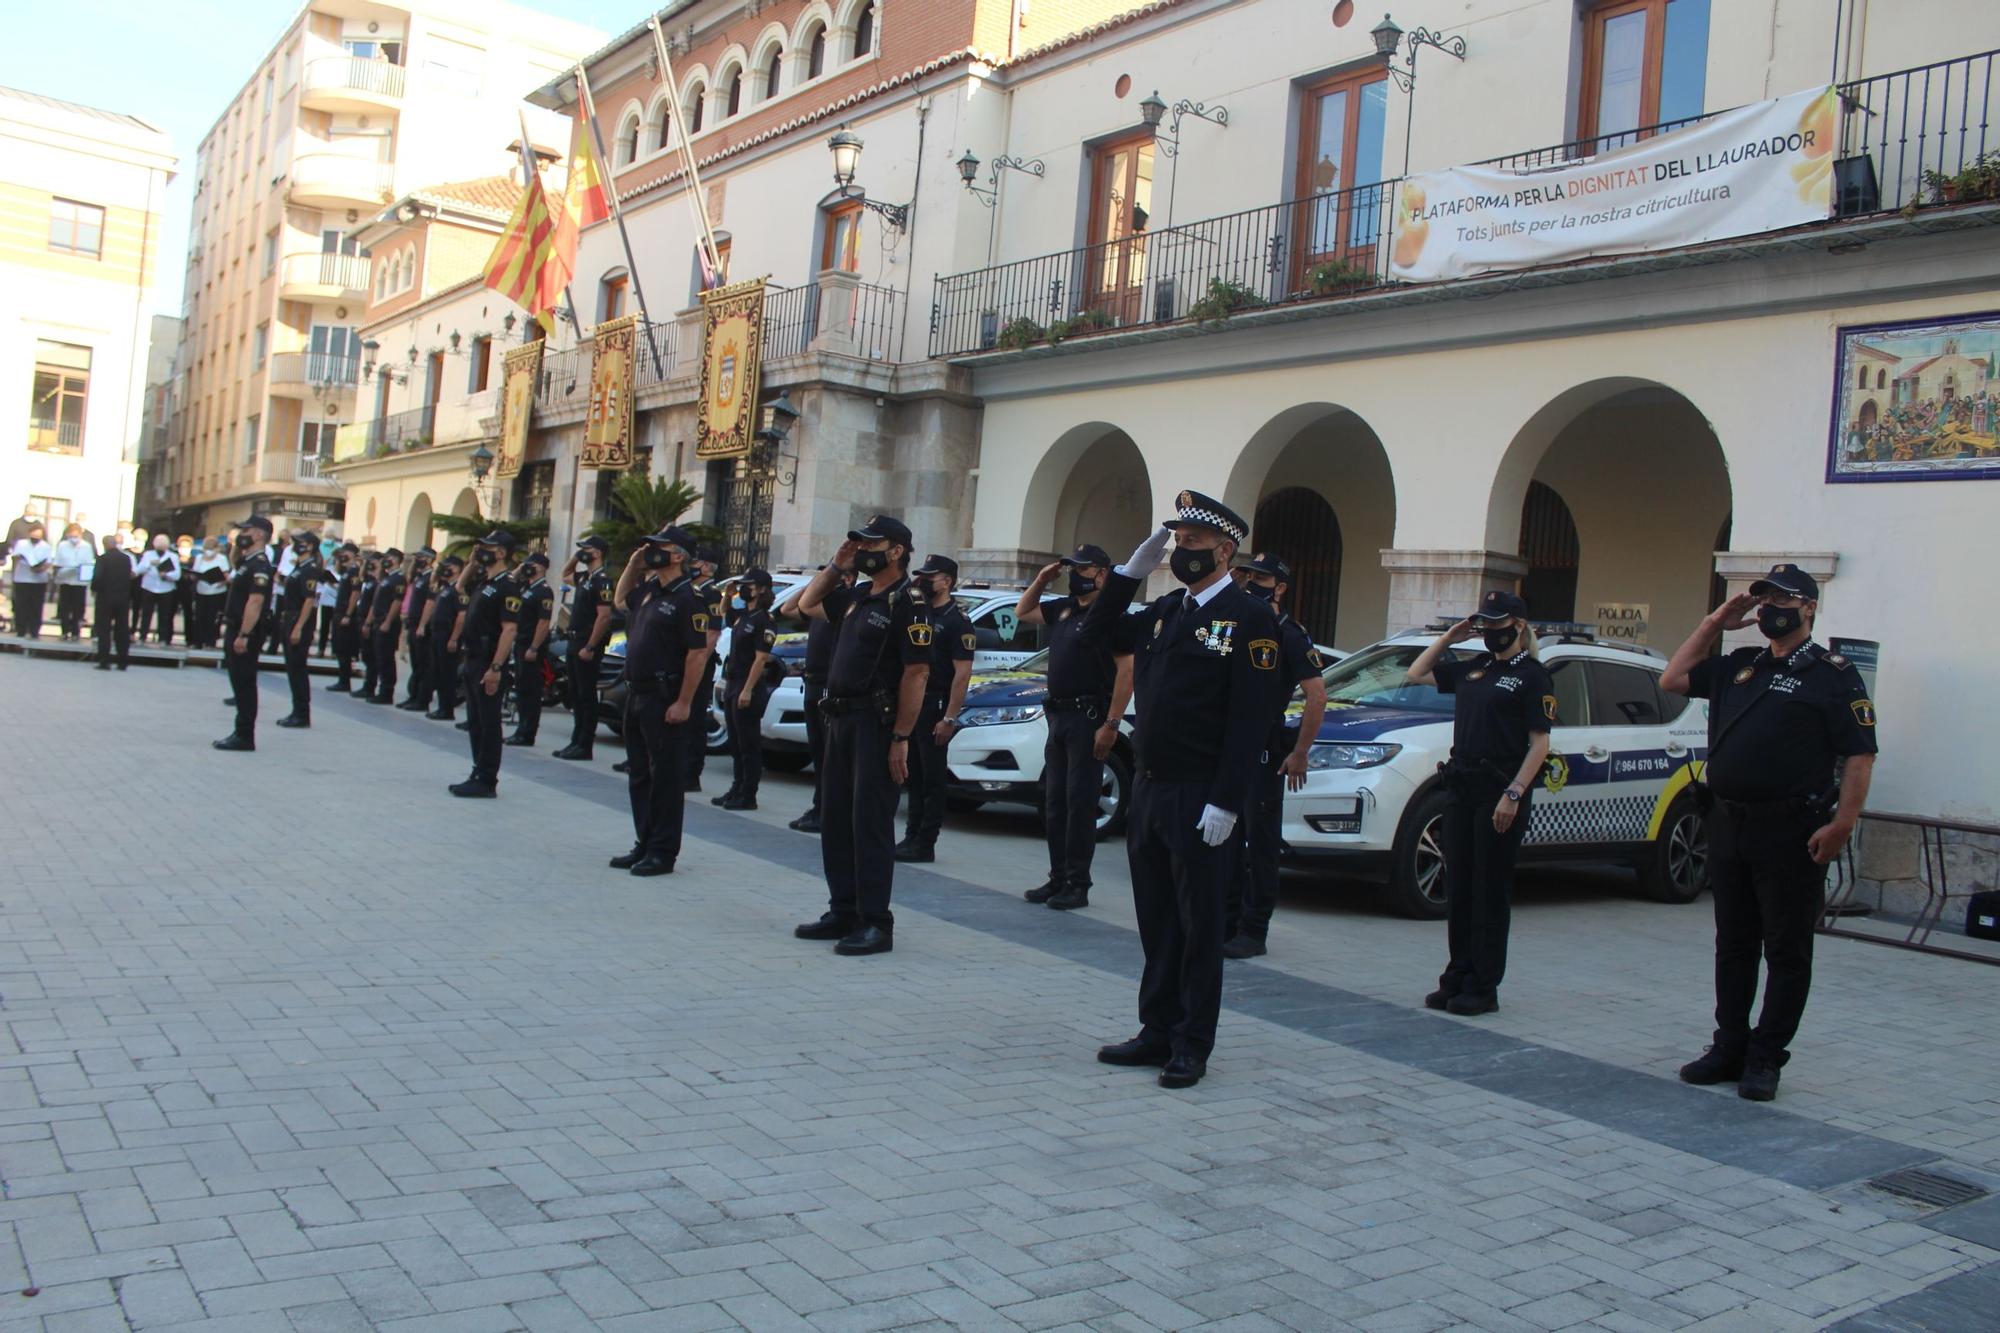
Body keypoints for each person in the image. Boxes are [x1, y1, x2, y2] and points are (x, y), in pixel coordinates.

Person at [1085, 491, 1280, 1090]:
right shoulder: (1169, 608)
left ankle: (1192, 1043)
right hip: (1150, 786)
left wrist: (1227, 800)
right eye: (1177, 541)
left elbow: (1252, 720)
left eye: (1192, 542)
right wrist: (1127, 575)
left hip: (1200, 795)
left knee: (1199, 928)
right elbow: (1100, 630)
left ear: (1225, 549)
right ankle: (1156, 1029)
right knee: (1157, 919)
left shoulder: (1252, 619)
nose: (1180, 551)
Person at [1662, 564, 1878, 1102]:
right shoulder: (1742, 665)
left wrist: (1843, 824)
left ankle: (1766, 1057)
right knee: (1733, 943)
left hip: (1792, 828)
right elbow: (1671, 679)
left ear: (1808, 607)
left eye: (1782, 598)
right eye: (1763, 598)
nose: (1768, 608)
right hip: (1731, 822)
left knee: (1785, 948)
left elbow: (1859, 754)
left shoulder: (1833, 674)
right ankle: (1728, 1046)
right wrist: (1716, 620)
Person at [1405, 590, 1555, 1018]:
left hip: (1498, 790)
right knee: (1461, 889)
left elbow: (1540, 742)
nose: (1490, 630)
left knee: (1489, 891)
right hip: (1462, 787)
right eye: (1485, 623)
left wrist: (1514, 793)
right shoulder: (1476, 668)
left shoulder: (1532, 676)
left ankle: (1483, 985)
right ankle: (1457, 975)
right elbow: (1418, 673)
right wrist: (1448, 639)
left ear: (1519, 626)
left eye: (1497, 623)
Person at [793, 516, 931, 957]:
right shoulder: (857, 595)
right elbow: (808, 604)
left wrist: (901, 736)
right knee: (835, 819)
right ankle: (843, 909)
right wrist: (836, 566)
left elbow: (917, 671)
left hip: (877, 724)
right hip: (840, 720)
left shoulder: (907, 602)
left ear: (896, 551)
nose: (864, 548)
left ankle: (876, 922)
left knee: (869, 823)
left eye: (873, 542)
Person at [1013, 544, 1132, 910]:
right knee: (1055, 801)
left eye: (1084, 570)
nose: (1076, 576)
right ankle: (1057, 877)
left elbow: (1127, 673)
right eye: (1073, 569)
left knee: (1080, 803)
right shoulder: (1063, 609)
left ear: (1102, 574)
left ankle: (1078, 883)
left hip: (1088, 716)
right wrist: (1041, 579)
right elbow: (1024, 611)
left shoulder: (1111, 616)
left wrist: (1111, 724)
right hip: (1059, 716)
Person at [1222, 554, 1329, 959]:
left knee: (1260, 843)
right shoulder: (1235, 625)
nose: (1250, 583)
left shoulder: (1289, 634)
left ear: (1280, 587)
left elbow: (1317, 696)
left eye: (1260, 578)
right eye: (1247, 575)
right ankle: (1227, 922)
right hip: (1231, 745)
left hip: (1264, 750)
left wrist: (1300, 752)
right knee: (1226, 841)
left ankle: (1253, 929)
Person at [609, 526, 711, 875]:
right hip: (637, 695)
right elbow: (620, 601)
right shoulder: (650, 590)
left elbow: (697, 655)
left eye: (658, 547)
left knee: (665, 779)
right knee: (640, 774)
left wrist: (683, 702)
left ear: (679, 555)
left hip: (664, 697)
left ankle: (663, 851)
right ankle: (644, 842)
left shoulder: (689, 599)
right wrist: (633, 564)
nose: (650, 551)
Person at [894, 555, 975, 864]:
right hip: (915, 702)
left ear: (948, 581)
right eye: (922, 576)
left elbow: (962, 674)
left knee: (932, 779)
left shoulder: (957, 620)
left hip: (936, 705)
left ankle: (925, 842)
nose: (925, 580)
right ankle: (910, 835)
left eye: (932, 576)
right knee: (913, 775)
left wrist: (949, 718)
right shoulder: (922, 613)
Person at [785, 566, 857, 834]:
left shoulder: (841, 606)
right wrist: (817, 583)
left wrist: (834, 582)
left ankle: (829, 810)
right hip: (812, 682)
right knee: (817, 751)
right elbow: (788, 609)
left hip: (830, 686)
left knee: (830, 756)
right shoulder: (816, 605)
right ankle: (819, 806)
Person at [451, 533, 524, 797]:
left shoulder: (508, 586)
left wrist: (495, 668)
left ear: (502, 553)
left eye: (488, 547)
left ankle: (487, 778)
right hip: (472, 657)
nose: (482, 550)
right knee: (475, 720)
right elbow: (459, 587)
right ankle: (478, 769)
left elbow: (509, 630)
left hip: (487, 660)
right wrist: (472, 562)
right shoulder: (485, 582)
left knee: (489, 721)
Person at [714, 568, 780, 810]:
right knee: (735, 741)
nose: (744, 588)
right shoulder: (744, 615)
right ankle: (737, 787)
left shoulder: (765, 620)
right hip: (733, 682)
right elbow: (725, 614)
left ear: (762, 589)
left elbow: (761, 659)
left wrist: (747, 690)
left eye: (748, 585)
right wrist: (728, 595)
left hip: (747, 684)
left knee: (748, 744)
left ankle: (748, 794)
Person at [214, 516, 276, 752]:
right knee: (238, 682)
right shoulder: (246, 562)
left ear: (259, 535)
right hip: (236, 627)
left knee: (245, 682)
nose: (242, 534)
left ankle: (244, 735)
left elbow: (256, 601)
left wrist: (244, 634)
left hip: (245, 631)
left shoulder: (259, 565)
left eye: (246, 530)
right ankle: (240, 731)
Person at [554, 537, 615, 760]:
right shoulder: (585, 577)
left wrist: (590, 645)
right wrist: (575, 558)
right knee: (575, 694)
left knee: (586, 695)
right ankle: (575, 740)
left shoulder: (603, 581)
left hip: (586, 643)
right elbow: (565, 575)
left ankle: (584, 744)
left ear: (598, 553)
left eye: (586, 550)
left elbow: (604, 616)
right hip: (574, 640)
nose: (583, 553)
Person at [683, 546, 726, 793]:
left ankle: (691, 773)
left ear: (707, 567)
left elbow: (712, 633)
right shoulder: (691, 591)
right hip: (689, 660)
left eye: (697, 562)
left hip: (701, 663)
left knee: (695, 718)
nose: (693, 566)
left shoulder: (711, 594)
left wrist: (698, 662)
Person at [504, 552, 556, 746]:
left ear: (542, 567)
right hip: (521, 643)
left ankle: (527, 732)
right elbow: (509, 582)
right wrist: (520, 569)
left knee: (530, 691)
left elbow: (543, 622)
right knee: (521, 688)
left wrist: (534, 647)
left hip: (531, 646)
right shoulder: (526, 587)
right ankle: (521, 729)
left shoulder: (544, 591)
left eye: (532, 564)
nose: (528, 566)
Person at [276, 530, 323, 729]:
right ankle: (296, 711)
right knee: (292, 668)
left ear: (310, 546)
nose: (296, 545)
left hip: (299, 619)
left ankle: (302, 714)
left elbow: (309, 600)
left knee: (297, 668)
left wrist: (298, 627)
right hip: (291, 617)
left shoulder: (309, 568)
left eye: (300, 542)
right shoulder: (299, 566)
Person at [419, 555, 466, 721]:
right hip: (437, 634)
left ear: (459, 569)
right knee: (438, 672)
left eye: (450, 566)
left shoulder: (459, 589)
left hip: (448, 635)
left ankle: (447, 710)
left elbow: (461, 616)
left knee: (447, 674)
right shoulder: (445, 587)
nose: (446, 569)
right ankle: (441, 707)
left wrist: (454, 638)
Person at [366, 549, 406, 705]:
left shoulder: (399, 578)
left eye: (388, 558)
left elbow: (397, 602)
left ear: (396, 559)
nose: (385, 561)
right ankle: (381, 690)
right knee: (379, 657)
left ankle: (387, 692)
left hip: (387, 621)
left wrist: (388, 621)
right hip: (378, 620)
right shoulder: (387, 577)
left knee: (386, 658)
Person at [398, 548, 436, 710]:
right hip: (412, 623)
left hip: (422, 627)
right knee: (416, 664)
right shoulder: (419, 577)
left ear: (429, 559)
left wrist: (422, 624)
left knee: (423, 665)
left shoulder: (431, 577)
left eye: (420, 557)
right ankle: (413, 696)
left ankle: (422, 700)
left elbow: (430, 603)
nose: (417, 559)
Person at [90, 535, 133, 669]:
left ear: (104, 545)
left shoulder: (103, 559)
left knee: (104, 629)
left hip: (105, 598)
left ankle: (104, 661)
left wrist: (94, 589)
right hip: (123, 598)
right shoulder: (126, 558)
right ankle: (122, 661)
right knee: (122, 629)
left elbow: (97, 577)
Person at [134, 534, 182, 645]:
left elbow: (177, 575)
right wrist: (149, 564)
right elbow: (138, 570)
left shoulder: (173, 556)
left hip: (166, 589)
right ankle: (142, 636)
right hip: (149, 587)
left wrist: (167, 575)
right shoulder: (148, 555)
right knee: (146, 613)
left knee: (164, 614)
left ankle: (163, 638)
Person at [9, 520, 53, 640]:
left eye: (38, 536)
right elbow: (15, 556)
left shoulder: (46, 546)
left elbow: (48, 562)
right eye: (34, 536)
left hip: (38, 580)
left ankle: (34, 631)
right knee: (21, 605)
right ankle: (21, 630)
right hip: (22, 578)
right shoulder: (22, 543)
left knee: (36, 606)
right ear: (29, 534)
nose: (36, 538)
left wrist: (40, 568)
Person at [329, 544, 362, 691]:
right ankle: (342, 680)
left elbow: (355, 594)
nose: (343, 555)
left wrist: (348, 614)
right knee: (339, 648)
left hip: (345, 614)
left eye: (346, 553)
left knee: (344, 649)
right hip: (339, 611)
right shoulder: (346, 571)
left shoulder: (354, 571)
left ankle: (344, 681)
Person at [52, 524, 92, 641]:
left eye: (76, 535)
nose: (73, 538)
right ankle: (64, 631)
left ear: (80, 535)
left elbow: (88, 564)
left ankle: (75, 632)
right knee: (65, 607)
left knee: (78, 608)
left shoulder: (87, 546)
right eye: (71, 535)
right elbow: (58, 563)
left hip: (79, 582)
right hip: (65, 580)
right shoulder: (62, 545)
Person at [191, 538, 230, 648]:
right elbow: (195, 572)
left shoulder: (221, 559)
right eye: (207, 549)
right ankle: (198, 641)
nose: (208, 551)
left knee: (212, 617)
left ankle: (210, 641)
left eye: (211, 549)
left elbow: (226, 576)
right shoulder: (199, 558)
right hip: (201, 590)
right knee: (199, 616)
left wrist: (222, 581)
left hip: (216, 591)